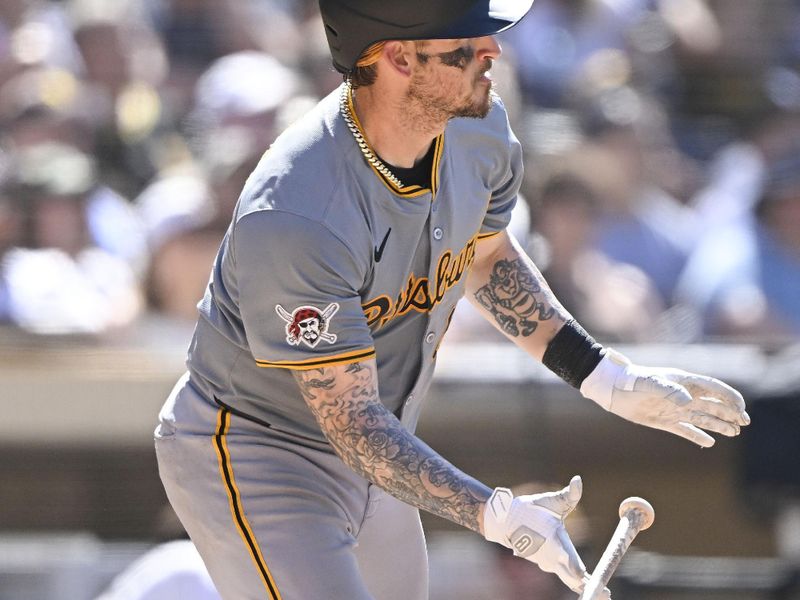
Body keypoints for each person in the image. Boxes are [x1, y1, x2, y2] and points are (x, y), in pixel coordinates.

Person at [154, 1, 750, 598]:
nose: (492, 51)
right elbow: (350, 423)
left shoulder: (476, 125)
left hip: (380, 442)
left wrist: (603, 376)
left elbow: (485, 256)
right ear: (397, 59)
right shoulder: (297, 209)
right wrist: (498, 515)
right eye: (464, 45)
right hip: (260, 450)